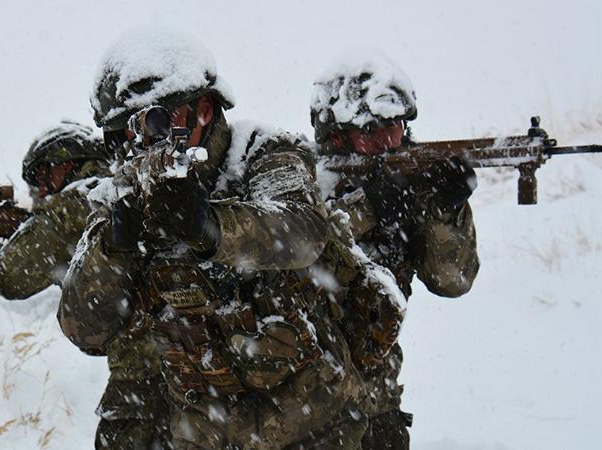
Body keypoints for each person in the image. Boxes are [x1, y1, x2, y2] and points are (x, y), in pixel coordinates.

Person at [60, 28, 365, 449]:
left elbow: (303, 232)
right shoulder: (121, 196)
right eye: (122, 134)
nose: (139, 142)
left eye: (155, 122)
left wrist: (211, 228)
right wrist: (113, 250)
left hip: (311, 422)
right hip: (205, 429)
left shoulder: (260, 152)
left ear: (204, 110)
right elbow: (84, 328)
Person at [309, 55, 481, 449]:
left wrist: (445, 210)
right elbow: (303, 252)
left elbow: (452, 281)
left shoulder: (410, 185)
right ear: (337, 135)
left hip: (378, 401)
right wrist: (369, 207)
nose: (388, 142)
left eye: (395, 127)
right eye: (371, 130)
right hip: (308, 410)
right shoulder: (306, 179)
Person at [0, 120, 111, 299]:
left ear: (65, 164)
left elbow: (7, 278)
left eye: (44, 176)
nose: (43, 190)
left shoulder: (65, 211)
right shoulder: (113, 186)